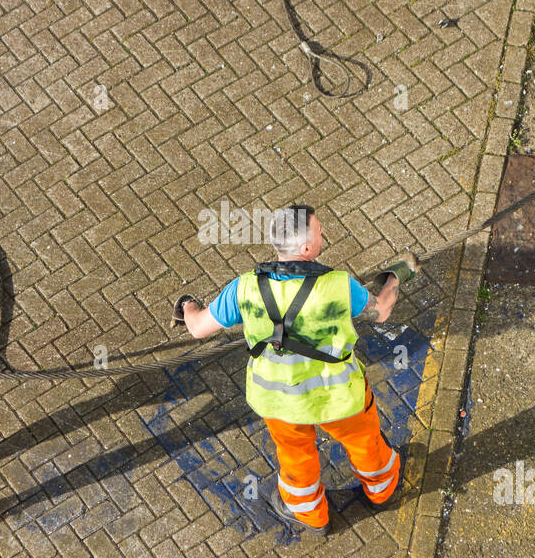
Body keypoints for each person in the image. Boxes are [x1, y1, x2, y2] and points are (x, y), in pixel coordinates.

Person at [174, 205, 415, 535]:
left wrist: (187, 305)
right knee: (364, 442)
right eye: (319, 231)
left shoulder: (244, 288)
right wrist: (395, 278)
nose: (323, 235)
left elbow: (198, 328)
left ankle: (311, 515)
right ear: (306, 248)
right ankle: (383, 489)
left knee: (295, 455)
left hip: (279, 400)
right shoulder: (338, 286)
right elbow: (381, 312)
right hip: (339, 396)